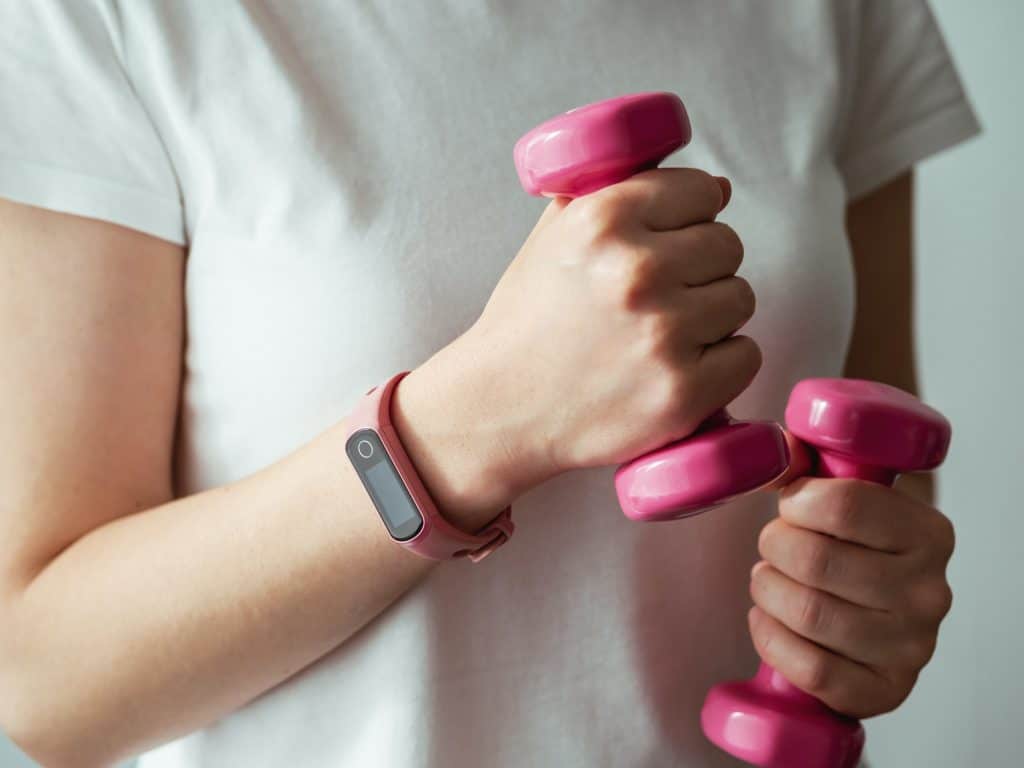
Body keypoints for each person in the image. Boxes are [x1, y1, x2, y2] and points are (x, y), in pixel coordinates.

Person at [0, 2, 978, 766]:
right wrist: (466, 429)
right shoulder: (104, 16)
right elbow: (45, 681)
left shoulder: (838, 7)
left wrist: (866, 612)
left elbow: (872, 463)